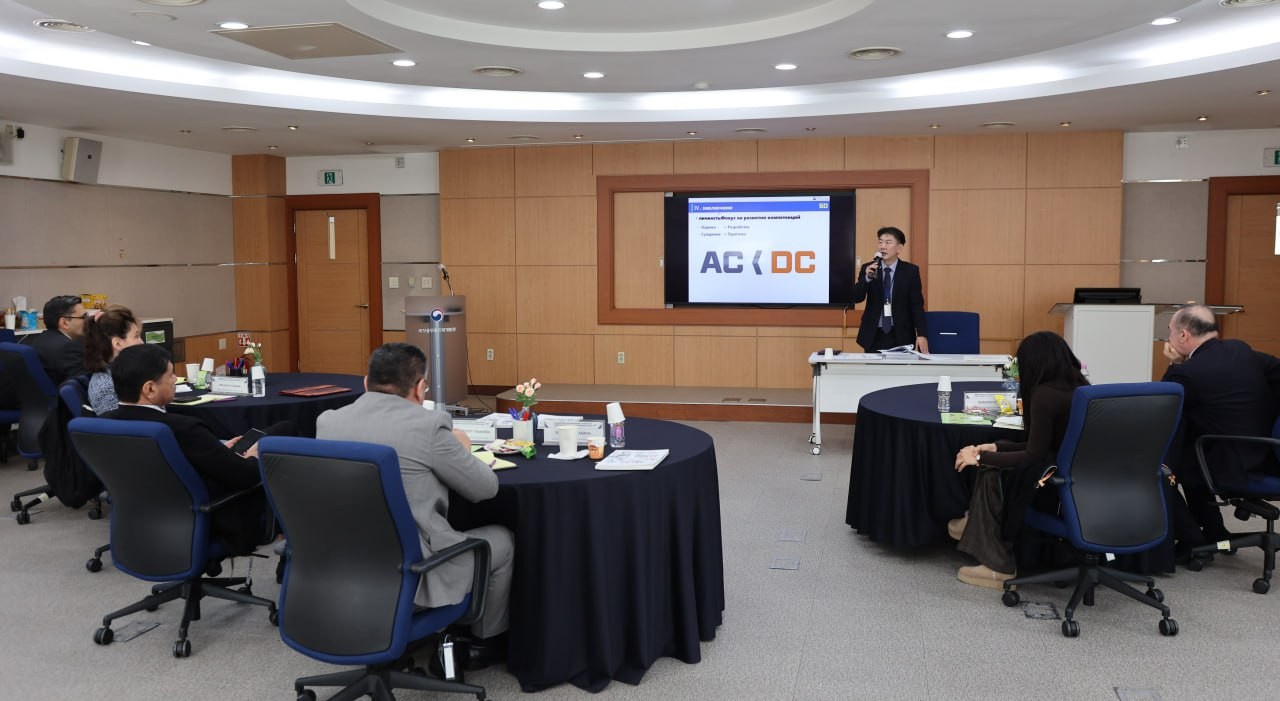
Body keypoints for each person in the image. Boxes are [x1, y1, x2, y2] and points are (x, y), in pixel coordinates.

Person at [316, 343, 512, 667]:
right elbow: (485, 489)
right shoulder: (428, 426)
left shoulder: (328, 422)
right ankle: (483, 644)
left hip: (339, 572)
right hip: (410, 576)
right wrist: (464, 450)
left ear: (366, 383)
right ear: (421, 388)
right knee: (503, 541)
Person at [102, 344, 278, 554]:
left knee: (279, 430)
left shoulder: (103, 425)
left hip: (141, 521)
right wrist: (254, 458)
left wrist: (217, 449)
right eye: (171, 375)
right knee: (281, 438)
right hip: (212, 517)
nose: (175, 380)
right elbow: (245, 477)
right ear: (149, 389)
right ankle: (294, 543)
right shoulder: (184, 429)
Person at [950, 331, 1089, 588]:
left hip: (1055, 485)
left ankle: (998, 565)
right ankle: (975, 526)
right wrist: (996, 447)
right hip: (1084, 481)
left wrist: (980, 457)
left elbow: (1034, 455)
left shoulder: (1044, 395)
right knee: (995, 457)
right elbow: (1046, 444)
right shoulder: (1080, 387)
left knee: (991, 472)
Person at [1160, 304, 1280, 543]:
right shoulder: (1240, 350)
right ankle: (1214, 532)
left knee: (1164, 465)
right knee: (1189, 446)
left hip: (1229, 465)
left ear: (1183, 335)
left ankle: (1193, 540)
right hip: (1266, 455)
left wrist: (1175, 365)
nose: (1168, 337)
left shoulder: (1185, 373)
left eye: (1170, 331)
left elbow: (1161, 407)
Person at [850, 226, 929, 353]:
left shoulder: (910, 271)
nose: (883, 247)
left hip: (901, 334)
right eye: (880, 242)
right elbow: (856, 297)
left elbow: (917, 305)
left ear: (899, 248)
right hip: (873, 334)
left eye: (888, 242)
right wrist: (867, 278)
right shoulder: (868, 268)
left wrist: (922, 334)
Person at [83, 305, 142, 415]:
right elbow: (118, 424)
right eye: (136, 336)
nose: (141, 342)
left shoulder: (127, 372)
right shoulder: (105, 388)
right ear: (117, 344)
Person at [20, 295, 91, 384]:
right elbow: (85, 383)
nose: (87, 321)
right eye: (84, 317)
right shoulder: (68, 348)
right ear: (64, 323)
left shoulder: (40, 339)